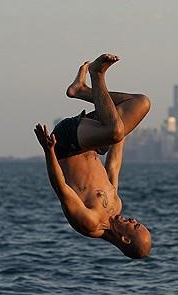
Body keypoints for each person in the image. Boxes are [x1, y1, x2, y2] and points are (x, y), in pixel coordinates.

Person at [34, 54, 152, 259]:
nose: (134, 219)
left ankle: (97, 73)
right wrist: (122, 129)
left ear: (125, 238)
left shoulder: (90, 223)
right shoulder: (116, 205)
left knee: (115, 130)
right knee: (141, 103)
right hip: (92, 143)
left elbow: (61, 188)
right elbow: (114, 165)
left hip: (66, 144)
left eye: (136, 225)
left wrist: (49, 151)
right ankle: (81, 90)